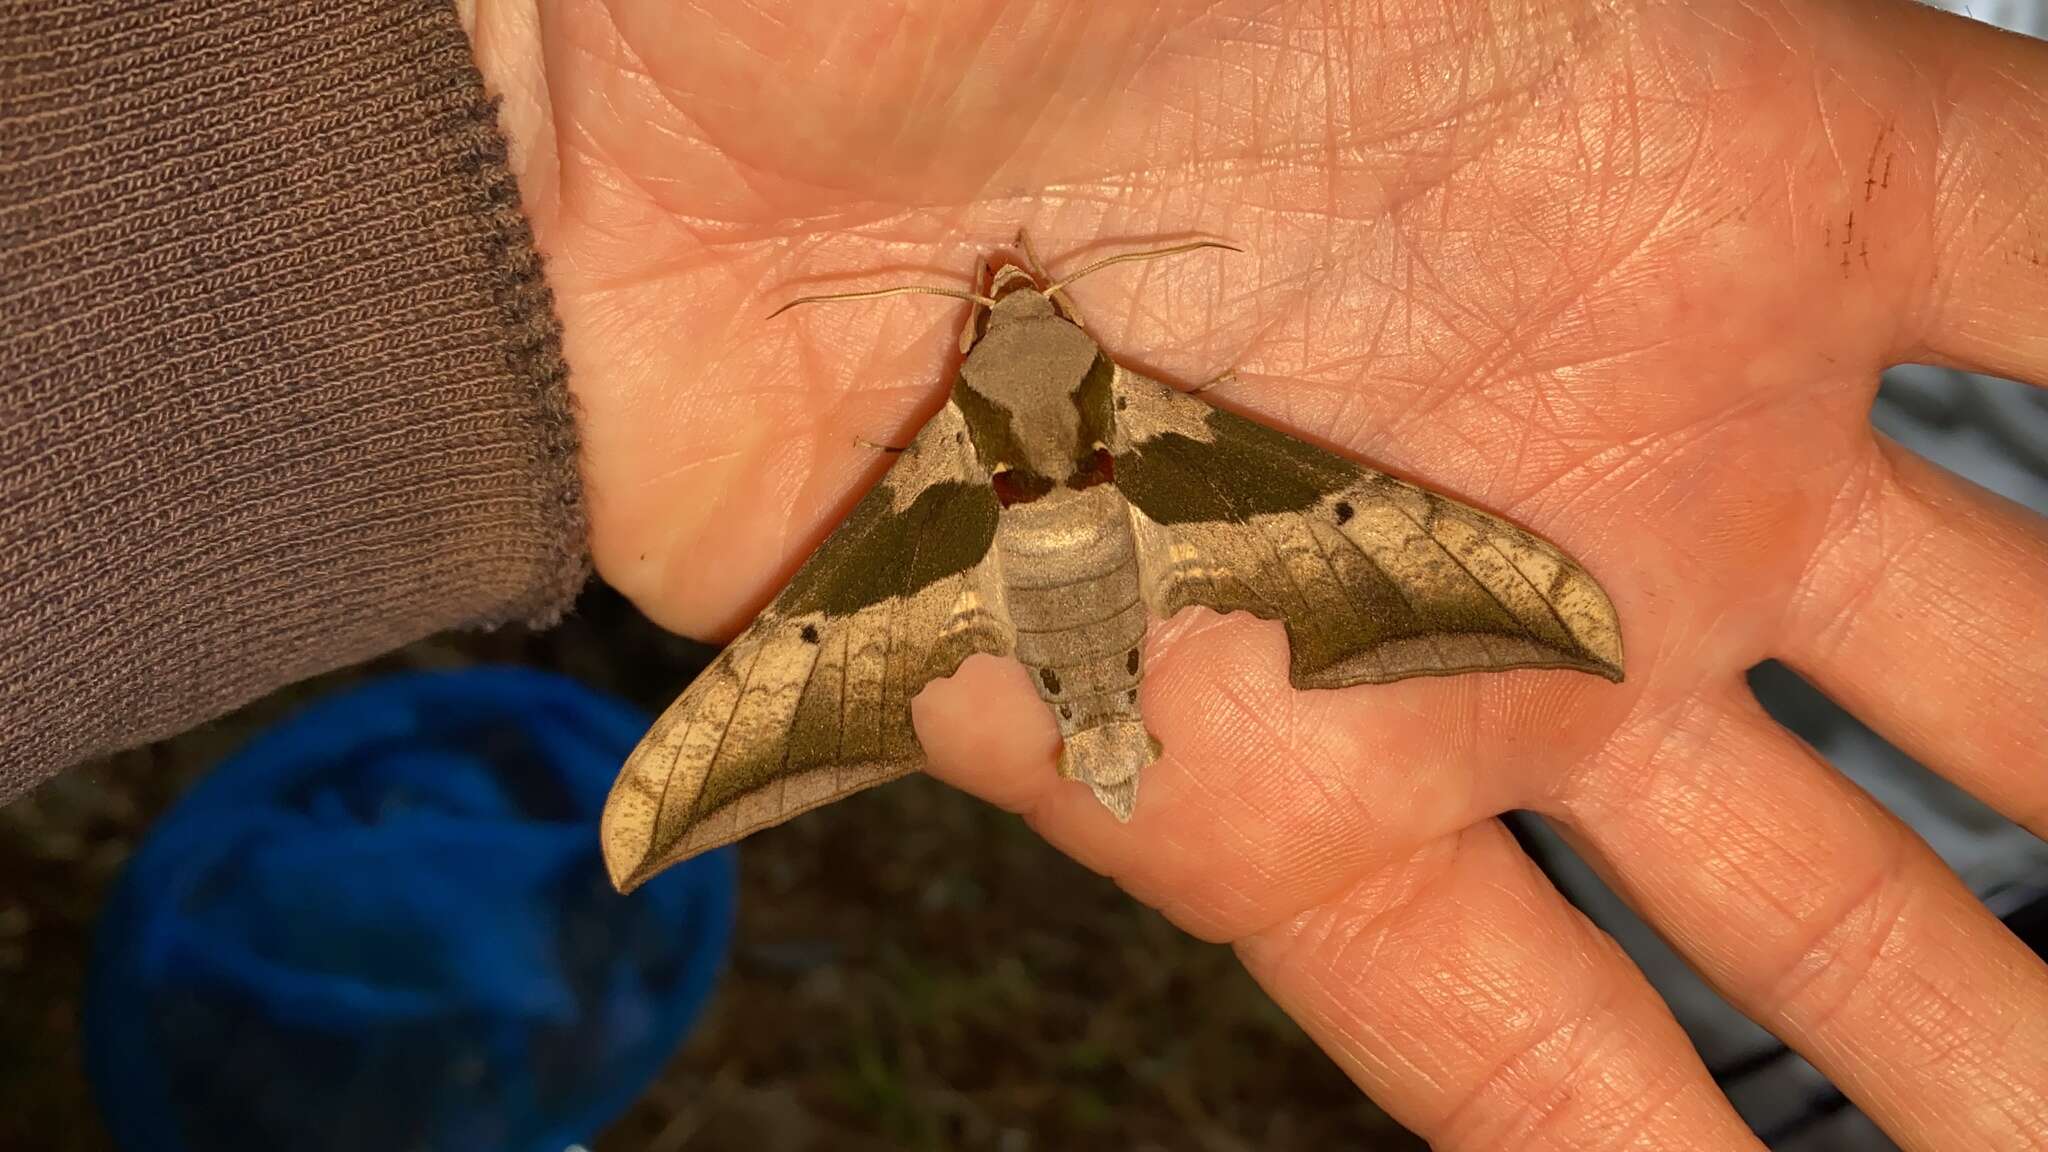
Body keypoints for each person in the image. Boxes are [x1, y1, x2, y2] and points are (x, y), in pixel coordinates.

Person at [6, 1, 2044, 1147]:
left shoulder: (978, 472)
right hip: (1088, 573)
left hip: (994, 571)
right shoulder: (1188, 451)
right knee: (1355, 555)